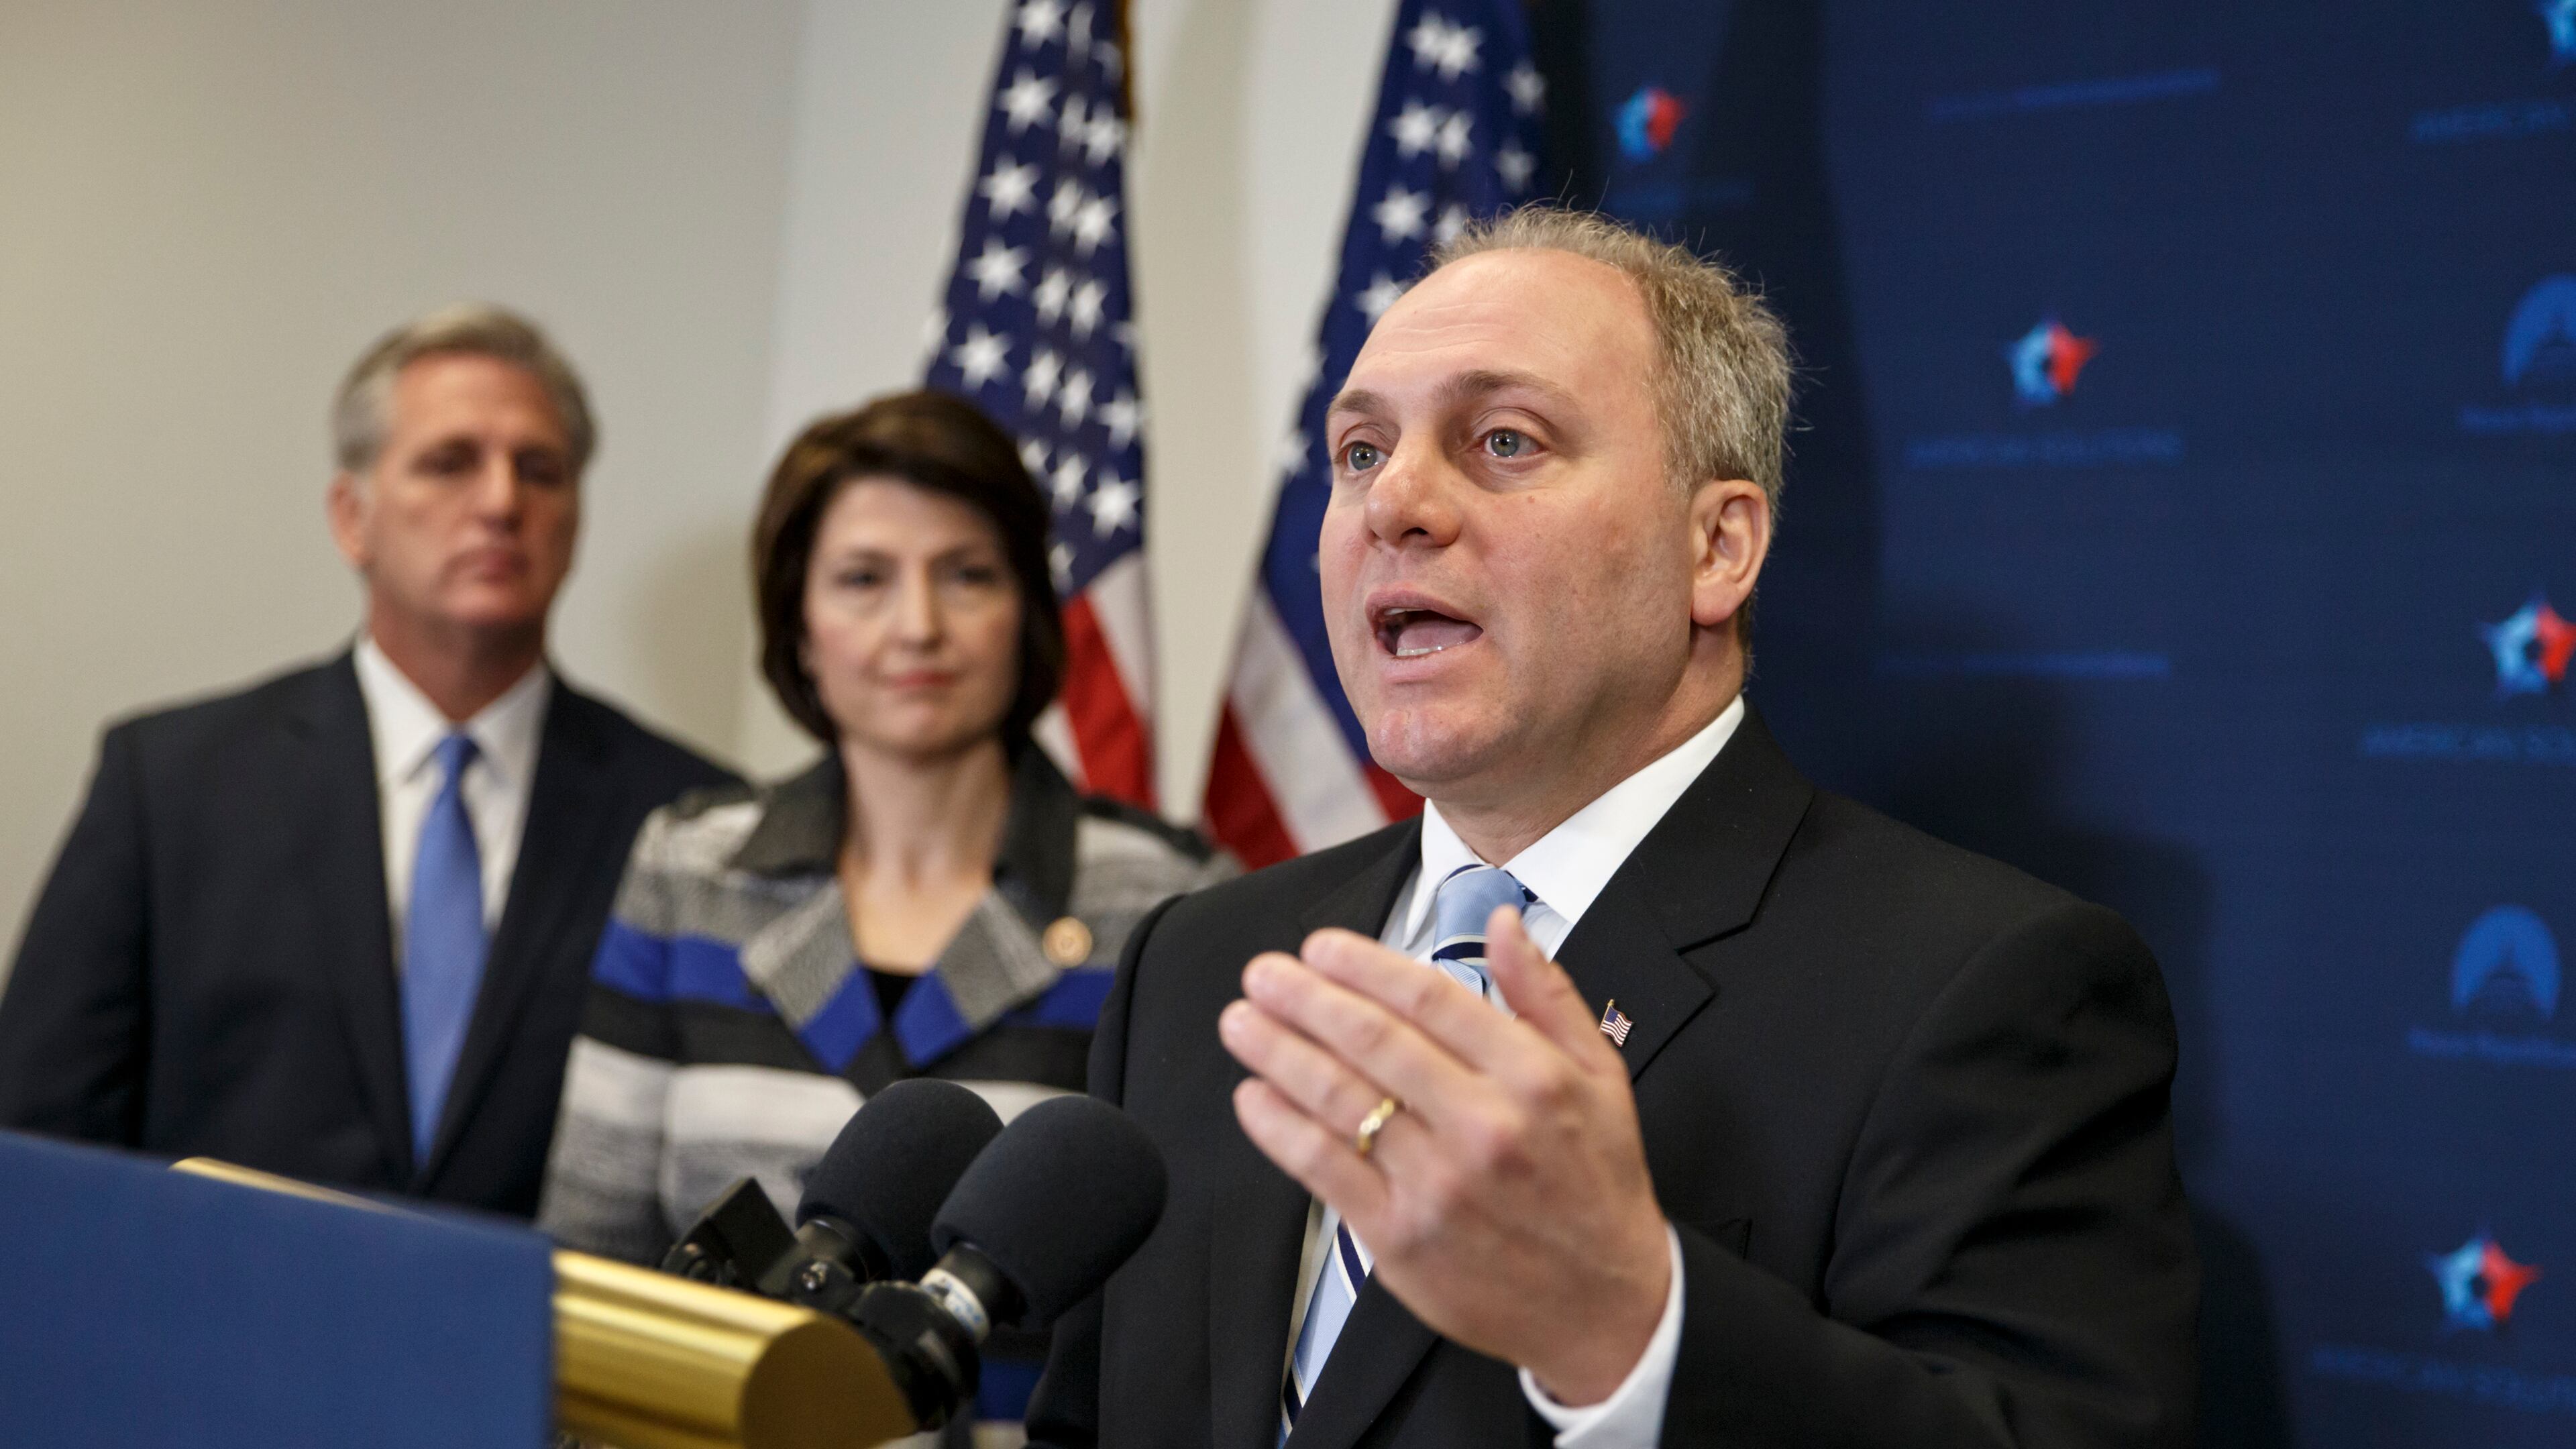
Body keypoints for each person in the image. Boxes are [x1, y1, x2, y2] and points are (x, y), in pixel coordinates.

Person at [1026, 209, 2196, 1448]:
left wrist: (1631, 1329)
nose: (1397, 504)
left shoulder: (1987, 989)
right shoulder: (1201, 962)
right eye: (1360, 451)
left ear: (1717, 547)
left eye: (1504, 440)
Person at [535, 389, 1228, 1428]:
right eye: (864, 580)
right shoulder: (690, 868)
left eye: (968, 576)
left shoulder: (1168, 897)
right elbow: (590, 1261)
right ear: (799, 624)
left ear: (1026, 614)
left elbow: (1189, 1302)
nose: (919, 627)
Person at [0, 305, 737, 1216]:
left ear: (576, 522)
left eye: (539, 470)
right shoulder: (171, 784)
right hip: (215, 1341)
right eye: (449, 462)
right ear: (353, 517)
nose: (503, 502)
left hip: (544, 1352)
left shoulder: (689, 820)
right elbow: (38, 1139)